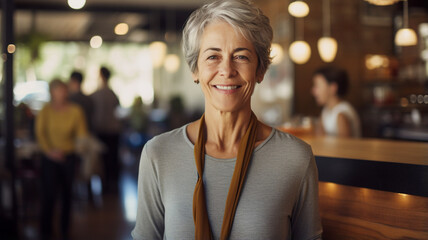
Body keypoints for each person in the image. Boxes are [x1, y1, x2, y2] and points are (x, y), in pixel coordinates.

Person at [132, 1, 322, 239]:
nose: (227, 70)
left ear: (260, 70)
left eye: (241, 56)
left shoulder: (295, 158)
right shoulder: (158, 154)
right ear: (195, 69)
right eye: (213, 56)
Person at [35, 79, 88, 240]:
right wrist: (50, 152)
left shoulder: (76, 111)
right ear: (52, 92)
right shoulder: (45, 110)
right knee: (49, 194)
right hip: (49, 157)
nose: (62, 94)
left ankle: (65, 230)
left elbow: (81, 133)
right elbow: (40, 134)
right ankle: (45, 230)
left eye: (64, 90)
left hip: (68, 157)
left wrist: (80, 148)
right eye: (58, 90)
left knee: (67, 195)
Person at [90, 66, 122, 193]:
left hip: (101, 130)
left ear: (101, 75)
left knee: (103, 159)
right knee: (113, 158)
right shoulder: (112, 93)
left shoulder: (95, 94)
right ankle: (112, 185)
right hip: (114, 130)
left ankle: (105, 186)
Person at [311, 66, 361, 138]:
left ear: (332, 88)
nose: (313, 91)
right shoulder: (326, 110)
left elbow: (344, 147)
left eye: (317, 86)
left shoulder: (342, 114)